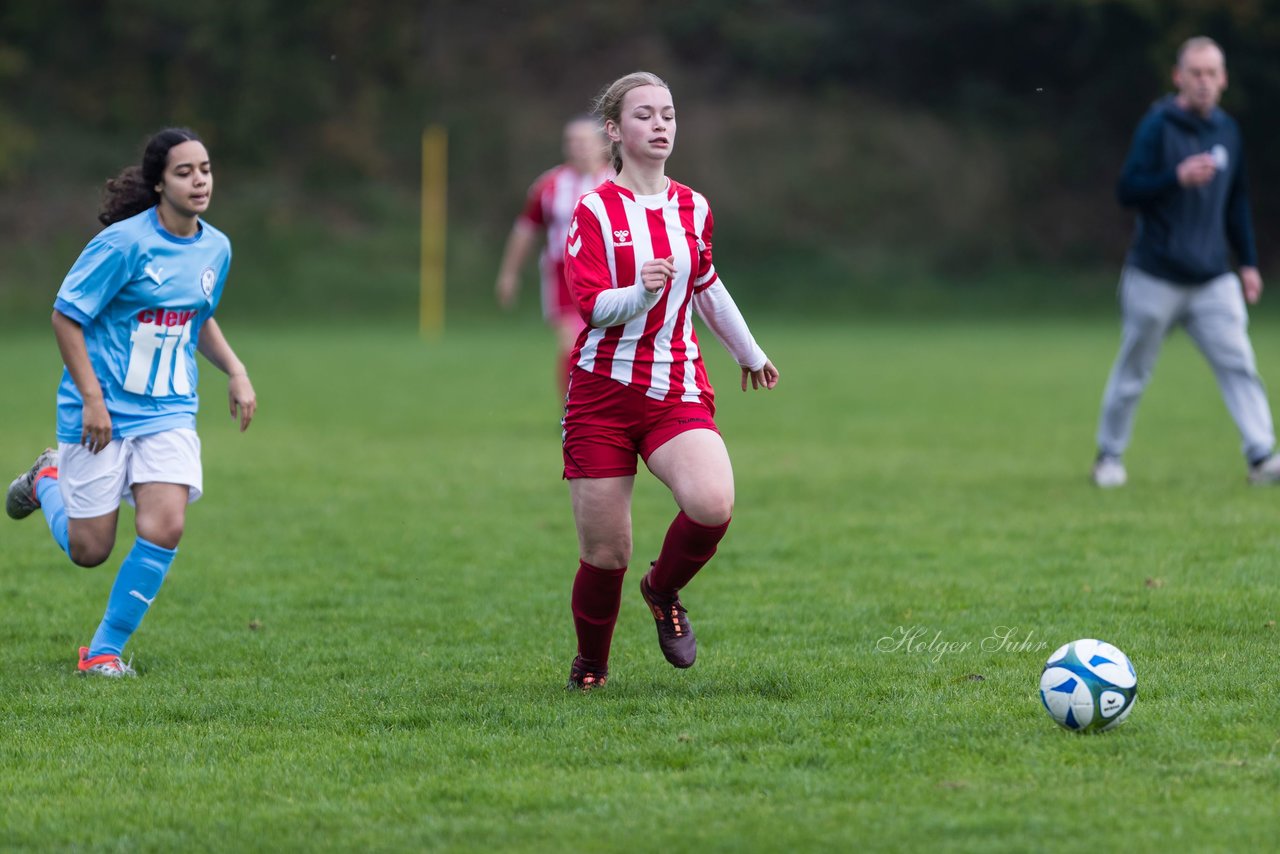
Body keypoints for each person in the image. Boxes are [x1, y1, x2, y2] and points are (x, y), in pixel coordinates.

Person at [5, 127, 256, 677]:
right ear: (159, 183)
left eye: (205, 169)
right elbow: (66, 316)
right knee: (89, 549)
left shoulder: (217, 247)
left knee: (165, 526)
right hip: (102, 414)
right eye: (184, 172)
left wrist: (235, 371)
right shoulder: (123, 243)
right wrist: (93, 400)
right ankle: (46, 477)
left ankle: (102, 651)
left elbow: (196, 314)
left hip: (168, 410)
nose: (199, 181)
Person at [559, 72, 780, 690]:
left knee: (712, 504)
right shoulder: (595, 209)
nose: (660, 126)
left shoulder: (694, 206)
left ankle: (662, 590)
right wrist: (639, 292)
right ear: (615, 130)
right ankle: (592, 665)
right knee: (606, 555)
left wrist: (749, 351)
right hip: (601, 395)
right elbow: (591, 306)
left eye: (669, 115)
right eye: (645, 115)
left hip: (675, 388)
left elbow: (707, 285)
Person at [1091, 36, 1277, 488]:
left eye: (1212, 73)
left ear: (1224, 79)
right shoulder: (1158, 125)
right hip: (1156, 275)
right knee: (1134, 369)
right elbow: (1127, 190)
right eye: (1195, 73)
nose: (1204, 82)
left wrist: (1248, 264)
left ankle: (1262, 457)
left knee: (1239, 364)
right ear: (1178, 77)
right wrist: (1174, 178)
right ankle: (1108, 458)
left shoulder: (1227, 131)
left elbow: (1236, 203)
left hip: (1213, 277)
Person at [496, 115, 613, 393]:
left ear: (602, 143)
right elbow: (526, 229)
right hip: (563, 273)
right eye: (571, 141)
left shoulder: (619, 180)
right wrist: (509, 273)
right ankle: (573, 409)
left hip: (611, 272)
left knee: (609, 344)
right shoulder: (549, 184)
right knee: (571, 342)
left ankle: (610, 407)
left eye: (584, 140)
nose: (578, 147)